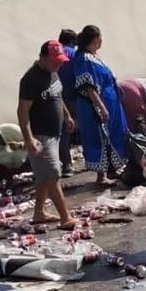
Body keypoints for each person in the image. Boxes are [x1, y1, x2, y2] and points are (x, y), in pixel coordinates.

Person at [18, 40, 79, 229]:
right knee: (53, 173)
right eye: (55, 60)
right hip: (40, 135)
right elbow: (22, 111)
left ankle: (39, 213)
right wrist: (29, 139)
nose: (59, 64)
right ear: (43, 57)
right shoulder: (30, 79)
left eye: (60, 60)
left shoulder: (53, 73)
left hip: (55, 133)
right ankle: (65, 217)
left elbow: (57, 96)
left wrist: (67, 116)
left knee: (44, 178)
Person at [70, 25, 128, 186]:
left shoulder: (94, 57)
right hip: (94, 106)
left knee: (111, 137)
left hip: (110, 103)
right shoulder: (84, 59)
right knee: (98, 139)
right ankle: (101, 177)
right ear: (95, 39)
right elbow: (88, 86)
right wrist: (100, 106)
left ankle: (114, 169)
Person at [57, 28, 79, 175]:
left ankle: (65, 165)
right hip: (73, 96)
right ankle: (97, 164)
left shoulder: (55, 53)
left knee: (62, 133)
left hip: (57, 97)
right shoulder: (74, 53)